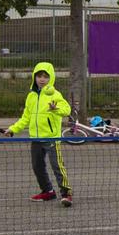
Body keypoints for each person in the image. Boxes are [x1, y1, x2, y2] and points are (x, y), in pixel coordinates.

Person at [8, 61, 73, 207]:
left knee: (57, 166)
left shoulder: (55, 94)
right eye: (39, 76)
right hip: (36, 138)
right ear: (34, 77)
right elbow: (26, 118)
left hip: (52, 138)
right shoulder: (31, 96)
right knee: (37, 166)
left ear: (51, 78)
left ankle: (66, 194)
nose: (42, 79)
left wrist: (55, 109)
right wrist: (13, 129)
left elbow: (67, 110)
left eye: (45, 76)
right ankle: (48, 191)